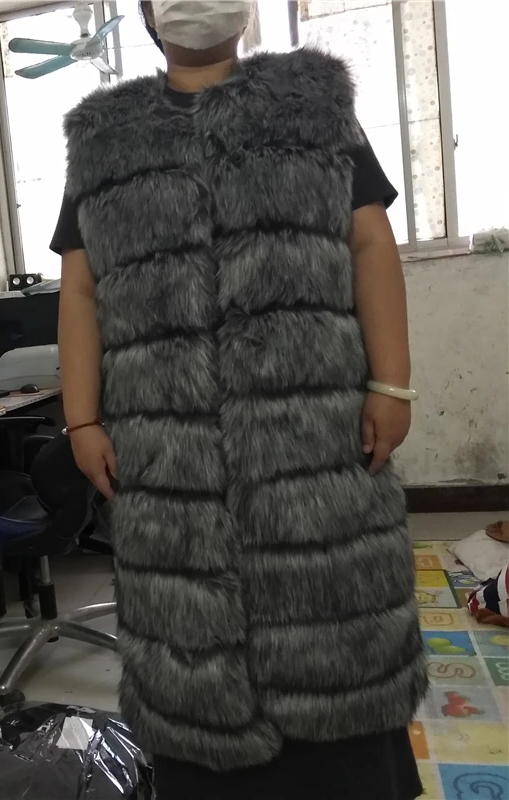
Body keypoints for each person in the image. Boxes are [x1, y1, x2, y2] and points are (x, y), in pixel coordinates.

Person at [51, 2, 426, 798]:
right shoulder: (104, 138)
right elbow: (79, 289)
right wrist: (80, 418)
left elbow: (369, 241)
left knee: (338, 629)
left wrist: (392, 383)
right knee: (192, 651)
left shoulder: (312, 104)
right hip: (169, 459)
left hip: (316, 438)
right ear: (146, 13)